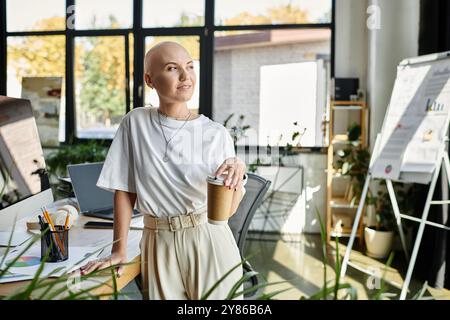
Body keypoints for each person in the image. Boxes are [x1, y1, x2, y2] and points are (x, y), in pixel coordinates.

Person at [79, 41, 247, 300]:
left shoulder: (216, 134)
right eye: (172, 68)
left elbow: (227, 212)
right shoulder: (135, 123)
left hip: (208, 240)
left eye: (190, 66)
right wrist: (119, 250)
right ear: (149, 79)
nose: (185, 75)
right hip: (158, 241)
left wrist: (238, 173)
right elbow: (124, 190)